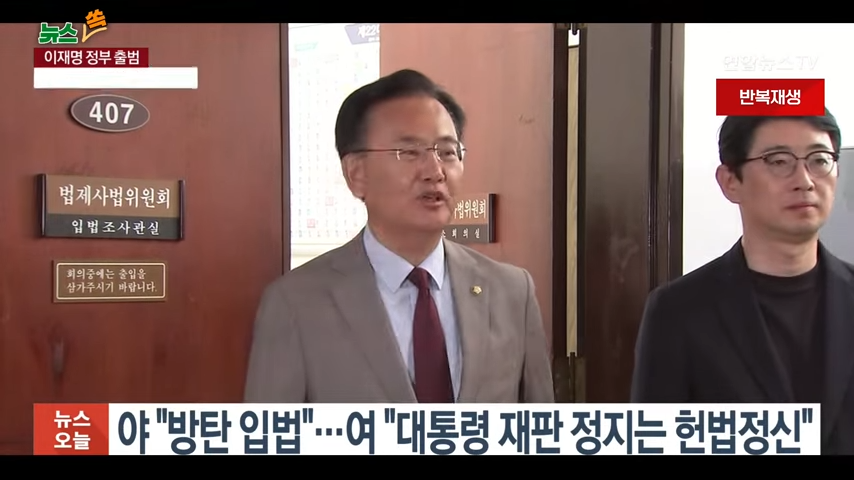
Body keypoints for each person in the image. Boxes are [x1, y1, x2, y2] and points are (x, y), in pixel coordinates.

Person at [244, 69, 553, 404]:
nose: (435, 171)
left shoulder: (512, 293)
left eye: (447, 152)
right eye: (409, 152)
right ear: (356, 174)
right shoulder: (297, 304)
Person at [631, 109, 854, 454]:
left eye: (820, 160)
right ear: (730, 181)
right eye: (779, 161)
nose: (805, 180)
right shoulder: (677, 311)